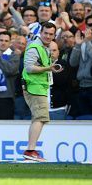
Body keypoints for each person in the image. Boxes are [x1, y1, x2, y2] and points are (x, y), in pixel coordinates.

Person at [22, 22, 63, 162]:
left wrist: (50, 67)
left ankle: (30, 150)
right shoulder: (35, 47)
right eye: (45, 33)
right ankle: (30, 151)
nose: (48, 36)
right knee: (40, 118)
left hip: (38, 86)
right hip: (34, 86)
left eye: (51, 34)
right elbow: (29, 68)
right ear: (41, 32)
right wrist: (48, 69)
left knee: (40, 118)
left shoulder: (43, 47)